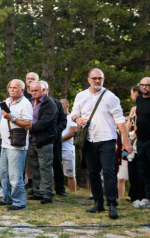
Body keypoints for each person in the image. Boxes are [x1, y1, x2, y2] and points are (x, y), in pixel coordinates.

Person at [70, 68, 132, 219]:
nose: (97, 81)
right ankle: (98, 203)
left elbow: (120, 121)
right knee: (92, 172)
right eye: (94, 78)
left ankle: (112, 204)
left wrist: (126, 142)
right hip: (89, 139)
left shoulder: (111, 97)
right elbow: (73, 113)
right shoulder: (81, 96)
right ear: (89, 80)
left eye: (100, 78)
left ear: (103, 79)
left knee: (109, 171)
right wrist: (77, 119)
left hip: (107, 139)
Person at [0, 79, 32, 211]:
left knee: (15, 176)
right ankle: (7, 198)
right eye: (10, 87)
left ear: (22, 90)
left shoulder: (25, 104)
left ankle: (20, 202)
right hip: (5, 142)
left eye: (15, 87)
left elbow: (28, 124)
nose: (12, 89)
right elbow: (2, 121)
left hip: (16, 145)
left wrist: (12, 118)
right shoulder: (7, 101)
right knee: (3, 173)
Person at [25, 81, 58, 204]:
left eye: (36, 91)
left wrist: (28, 128)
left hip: (44, 140)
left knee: (45, 167)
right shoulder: (29, 102)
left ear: (44, 90)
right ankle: (38, 191)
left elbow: (44, 122)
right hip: (30, 140)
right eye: (32, 91)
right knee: (34, 167)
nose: (33, 93)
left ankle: (47, 193)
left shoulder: (50, 103)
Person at [133, 78, 150, 208]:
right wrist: (134, 134)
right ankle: (146, 197)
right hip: (141, 140)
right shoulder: (139, 99)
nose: (144, 87)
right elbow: (138, 117)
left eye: (147, 85)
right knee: (143, 169)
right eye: (142, 85)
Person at [59, 99, 78, 193]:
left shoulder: (72, 118)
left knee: (70, 174)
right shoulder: (57, 117)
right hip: (57, 149)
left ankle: (73, 193)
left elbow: (72, 132)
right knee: (55, 173)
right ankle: (56, 191)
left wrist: (59, 140)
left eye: (61, 105)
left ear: (67, 106)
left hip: (68, 149)